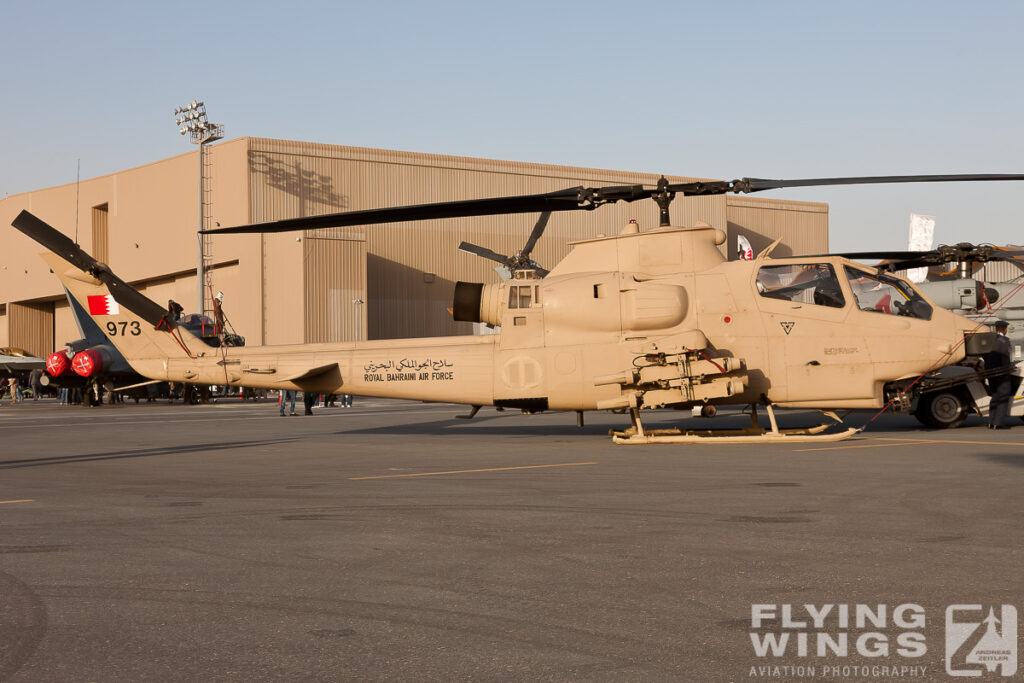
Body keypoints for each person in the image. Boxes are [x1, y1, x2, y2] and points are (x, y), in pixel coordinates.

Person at [984, 320, 1015, 429]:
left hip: (990, 373)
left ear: (996, 328)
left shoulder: (989, 340)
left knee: (995, 396)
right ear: (1005, 329)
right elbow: (1005, 358)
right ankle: (998, 422)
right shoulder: (1004, 341)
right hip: (1001, 373)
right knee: (1003, 396)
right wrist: (1007, 372)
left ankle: (991, 422)